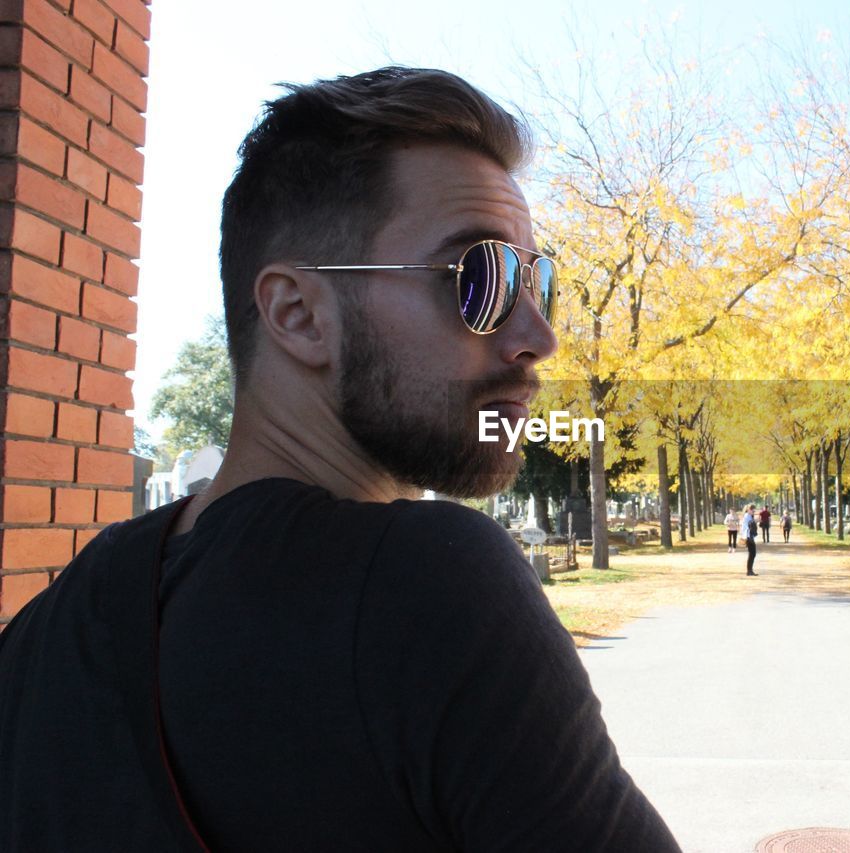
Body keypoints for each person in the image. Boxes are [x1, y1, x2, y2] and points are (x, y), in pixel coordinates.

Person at [0, 68, 679, 852]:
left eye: (540, 281)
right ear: (298, 314)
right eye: (479, 278)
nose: (538, 335)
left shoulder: (53, 625)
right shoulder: (431, 585)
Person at [741, 505, 759, 576]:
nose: (753, 512)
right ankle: (749, 571)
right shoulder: (747, 516)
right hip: (748, 537)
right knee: (752, 554)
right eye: (753, 511)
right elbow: (749, 525)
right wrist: (755, 521)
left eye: (754, 511)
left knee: (752, 554)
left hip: (750, 536)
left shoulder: (749, 516)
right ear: (748, 510)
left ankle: (750, 570)